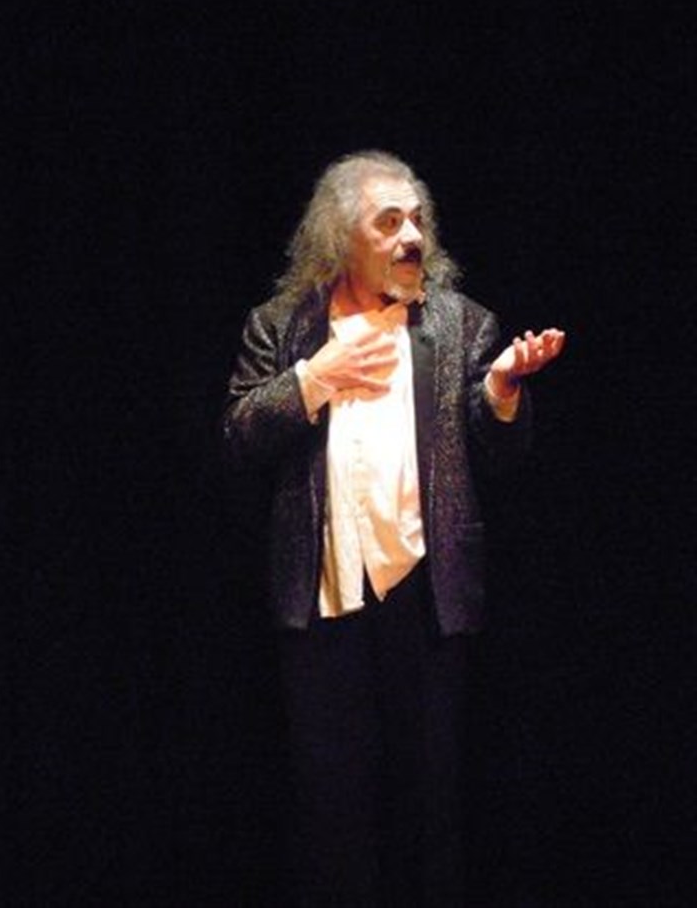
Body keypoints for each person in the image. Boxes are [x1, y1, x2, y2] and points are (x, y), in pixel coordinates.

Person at [223, 150, 565, 907]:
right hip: (324, 597)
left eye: (417, 221)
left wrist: (501, 391)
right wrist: (317, 376)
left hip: (425, 598)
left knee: (429, 803)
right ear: (342, 238)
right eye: (389, 223)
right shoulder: (282, 327)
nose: (411, 237)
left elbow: (499, 453)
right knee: (331, 806)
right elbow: (240, 436)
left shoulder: (459, 324)